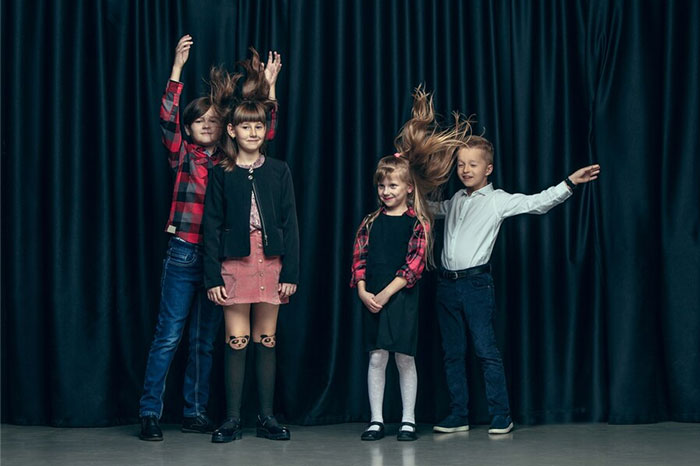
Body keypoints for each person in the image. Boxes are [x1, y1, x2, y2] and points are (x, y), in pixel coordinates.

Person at [138, 35, 281, 441]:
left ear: (223, 129)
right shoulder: (182, 154)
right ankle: (150, 411)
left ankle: (194, 411)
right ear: (189, 127)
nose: (206, 125)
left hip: (219, 257)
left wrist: (269, 86)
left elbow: (262, 132)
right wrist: (177, 69)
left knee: (203, 338)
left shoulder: (228, 162)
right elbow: (166, 117)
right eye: (199, 121)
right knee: (169, 334)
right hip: (184, 251)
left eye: (213, 122)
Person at [431, 135, 601, 435]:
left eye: (472, 164)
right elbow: (431, 209)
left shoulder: (498, 201)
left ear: (488, 168)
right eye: (460, 164)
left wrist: (570, 183)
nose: (465, 170)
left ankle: (501, 415)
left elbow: (537, 203)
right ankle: (459, 415)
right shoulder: (456, 199)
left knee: (486, 351)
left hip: (475, 285)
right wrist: (406, 180)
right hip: (446, 285)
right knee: (452, 353)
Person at [351, 87, 470, 441]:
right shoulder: (370, 222)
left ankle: (407, 419)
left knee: (404, 357)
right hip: (371, 295)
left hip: (399, 297)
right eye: (381, 185)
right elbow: (358, 260)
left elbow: (414, 267)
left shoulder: (418, 222)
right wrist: (362, 291)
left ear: (407, 188)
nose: (385, 191)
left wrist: (385, 293)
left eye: (392, 185)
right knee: (376, 358)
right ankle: (376, 419)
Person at [203, 48, 297, 443]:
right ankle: (231, 419)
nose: (253, 133)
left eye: (259, 127)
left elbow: (290, 224)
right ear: (232, 132)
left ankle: (267, 418)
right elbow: (211, 226)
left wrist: (290, 272)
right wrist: (212, 276)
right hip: (236, 264)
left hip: (271, 263)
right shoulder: (221, 173)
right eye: (246, 127)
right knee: (237, 340)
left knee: (267, 339)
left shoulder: (278, 170)